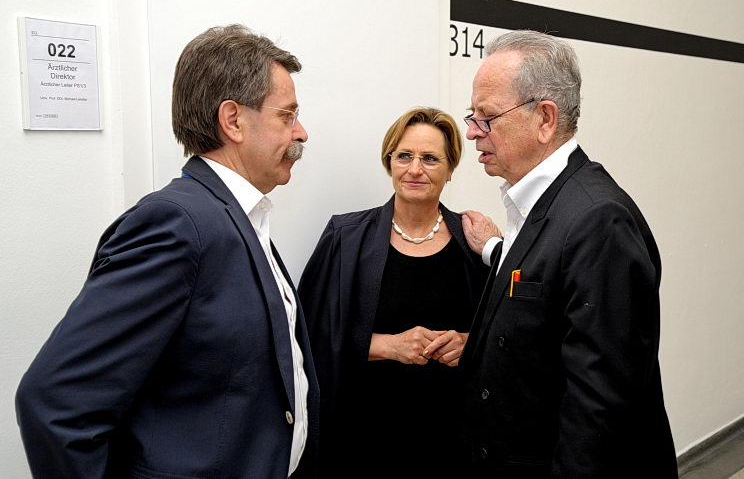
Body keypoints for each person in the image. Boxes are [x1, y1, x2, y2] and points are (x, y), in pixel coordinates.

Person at [15, 24, 319, 479]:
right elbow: (54, 403)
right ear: (233, 120)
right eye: (287, 115)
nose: (301, 132)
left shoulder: (239, 217)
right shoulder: (176, 224)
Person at [459, 30, 678, 478]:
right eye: (473, 116)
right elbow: (545, 289)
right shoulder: (538, 205)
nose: (472, 132)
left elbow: (599, 408)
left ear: (544, 117)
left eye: (487, 117)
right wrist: (494, 251)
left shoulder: (599, 221)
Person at [297, 107, 489, 478]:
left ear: (450, 169)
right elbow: (306, 336)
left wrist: (470, 344)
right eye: (404, 156)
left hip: (452, 443)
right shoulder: (344, 238)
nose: (415, 169)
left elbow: (505, 337)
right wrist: (386, 346)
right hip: (362, 443)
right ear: (389, 163)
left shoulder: (474, 245)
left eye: (430, 158)